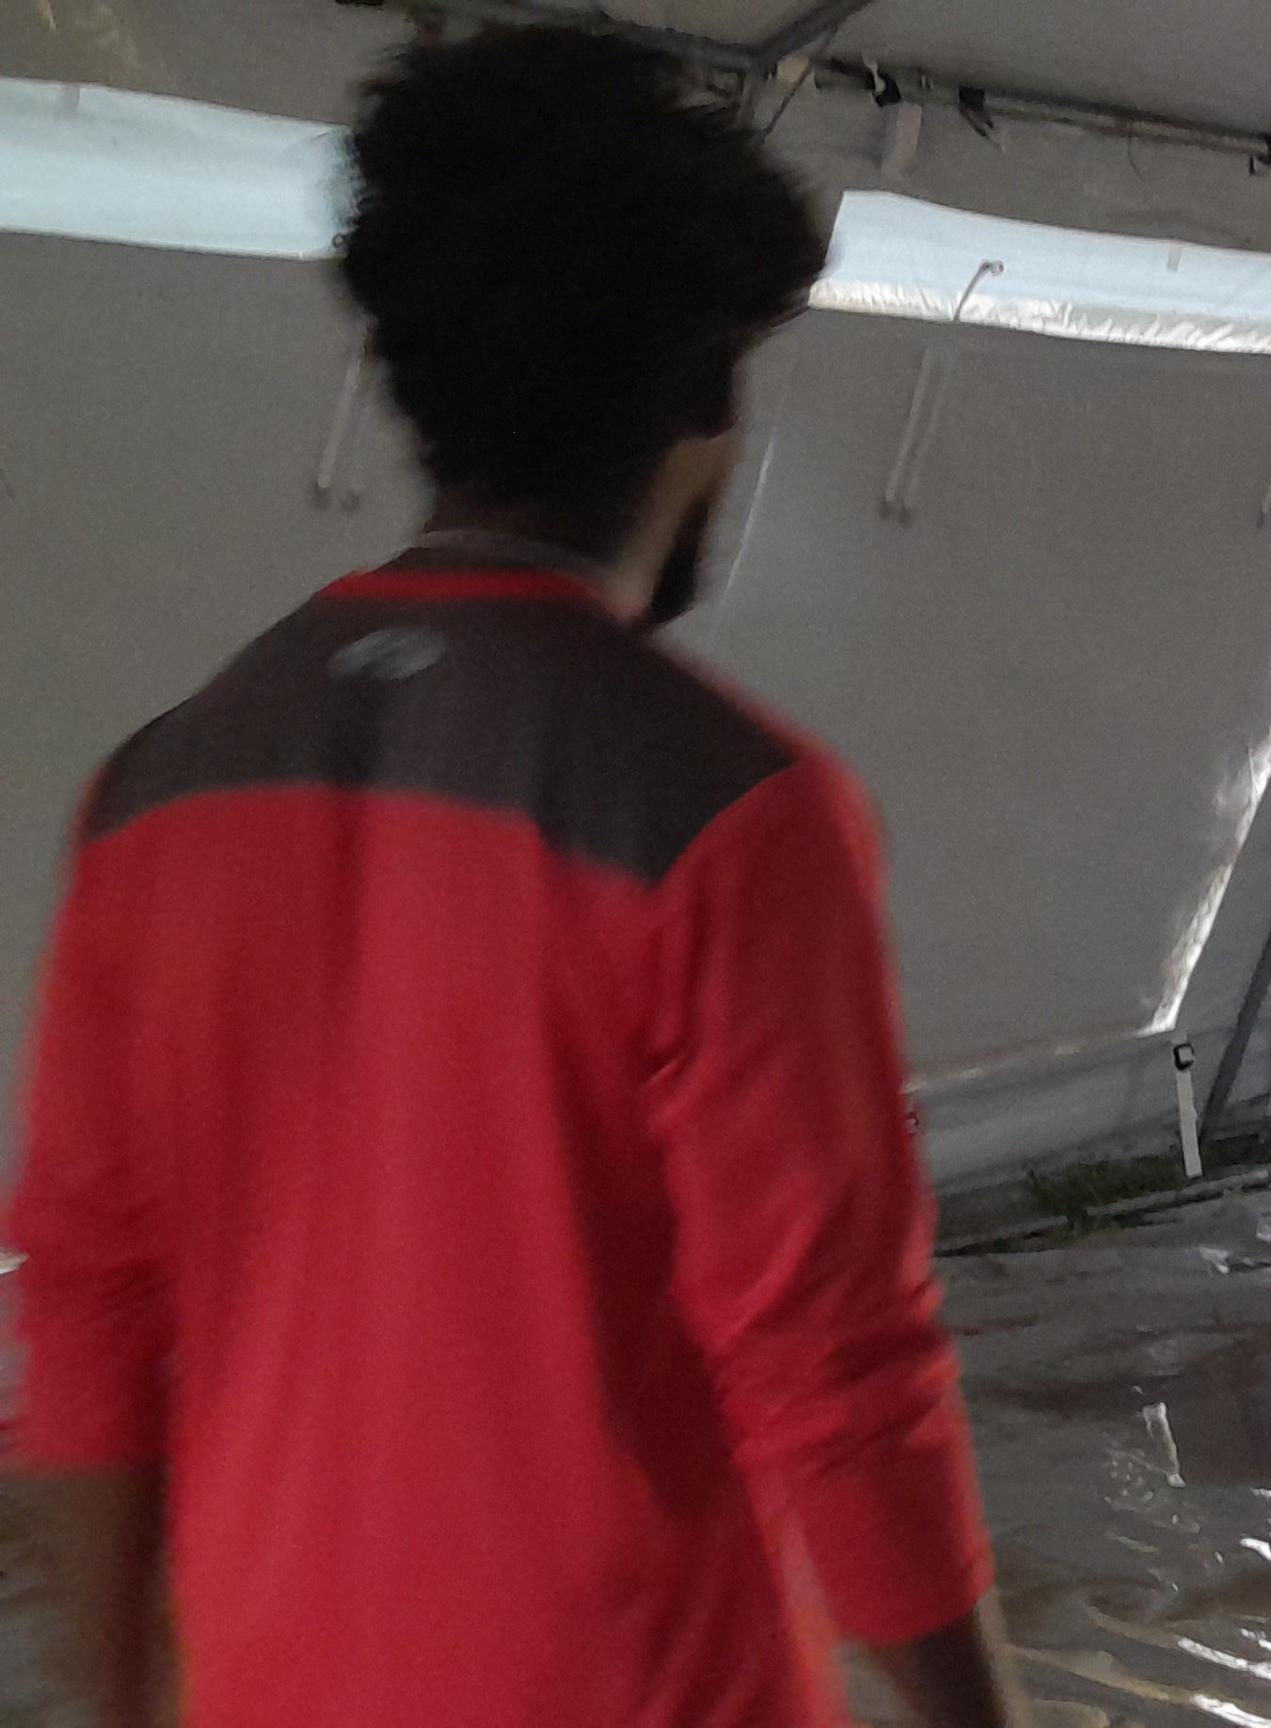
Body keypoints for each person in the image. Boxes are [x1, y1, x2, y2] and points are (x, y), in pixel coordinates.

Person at [9, 28, 1027, 1728]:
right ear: (711, 392)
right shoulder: (726, 808)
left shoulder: (155, 792)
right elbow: (837, 1365)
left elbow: (92, 1306)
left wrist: (117, 1699)